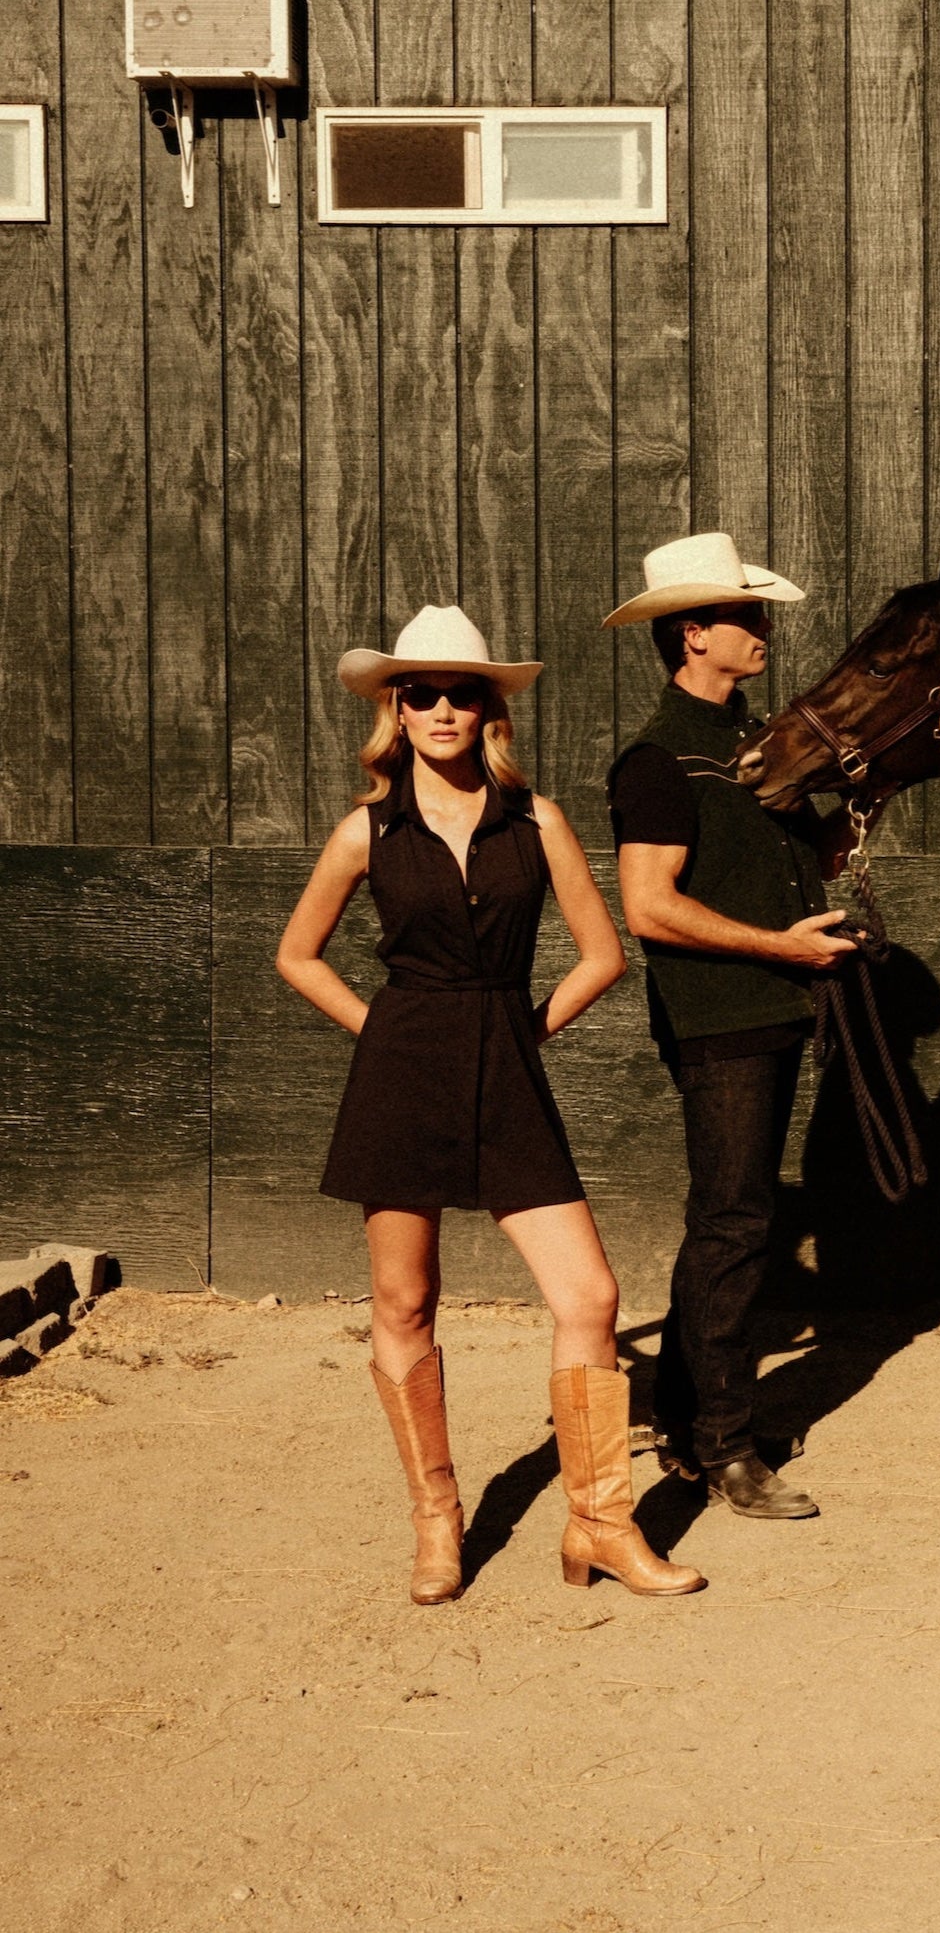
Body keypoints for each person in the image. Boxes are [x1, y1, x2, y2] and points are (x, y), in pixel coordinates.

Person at [276, 602, 704, 1605]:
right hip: (401, 1077)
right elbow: (296, 955)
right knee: (403, 1301)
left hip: (507, 1075)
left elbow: (602, 955)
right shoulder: (366, 829)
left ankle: (601, 1524)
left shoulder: (537, 820)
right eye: (419, 692)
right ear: (395, 709)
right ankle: (437, 1520)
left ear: (486, 710)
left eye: (459, 693)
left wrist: (521, 1032)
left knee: (589, 1297)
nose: (440, 709)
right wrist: (381, 1034)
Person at [602, 533, 855, 1519]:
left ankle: (684, 1419)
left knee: (729, 1218)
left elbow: (799, 863)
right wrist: (779, 947)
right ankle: (722, 1446)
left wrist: (850, 815)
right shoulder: (658, 759)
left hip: (773, 1007)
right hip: (721, 1016)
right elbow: (649, 906)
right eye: (744, 616)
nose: (762, 631)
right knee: (736, 1223)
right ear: (692, 634)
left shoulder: (755, 745)